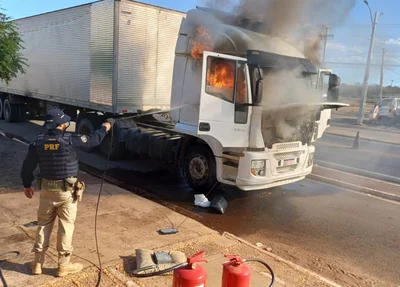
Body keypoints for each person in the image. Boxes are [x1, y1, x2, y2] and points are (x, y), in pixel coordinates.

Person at [20, 109, 113, 277]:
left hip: (46, 191)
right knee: (66, 227)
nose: (66, 123)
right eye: (64, 122)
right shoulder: (70, 140)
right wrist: (106, 126)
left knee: (43, 226)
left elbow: (27, 166)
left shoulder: (38, 142)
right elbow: (93, 140)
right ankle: (63, 266)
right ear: (61, 125)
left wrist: (27, 185)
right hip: (67, 193)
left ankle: (37, 264)